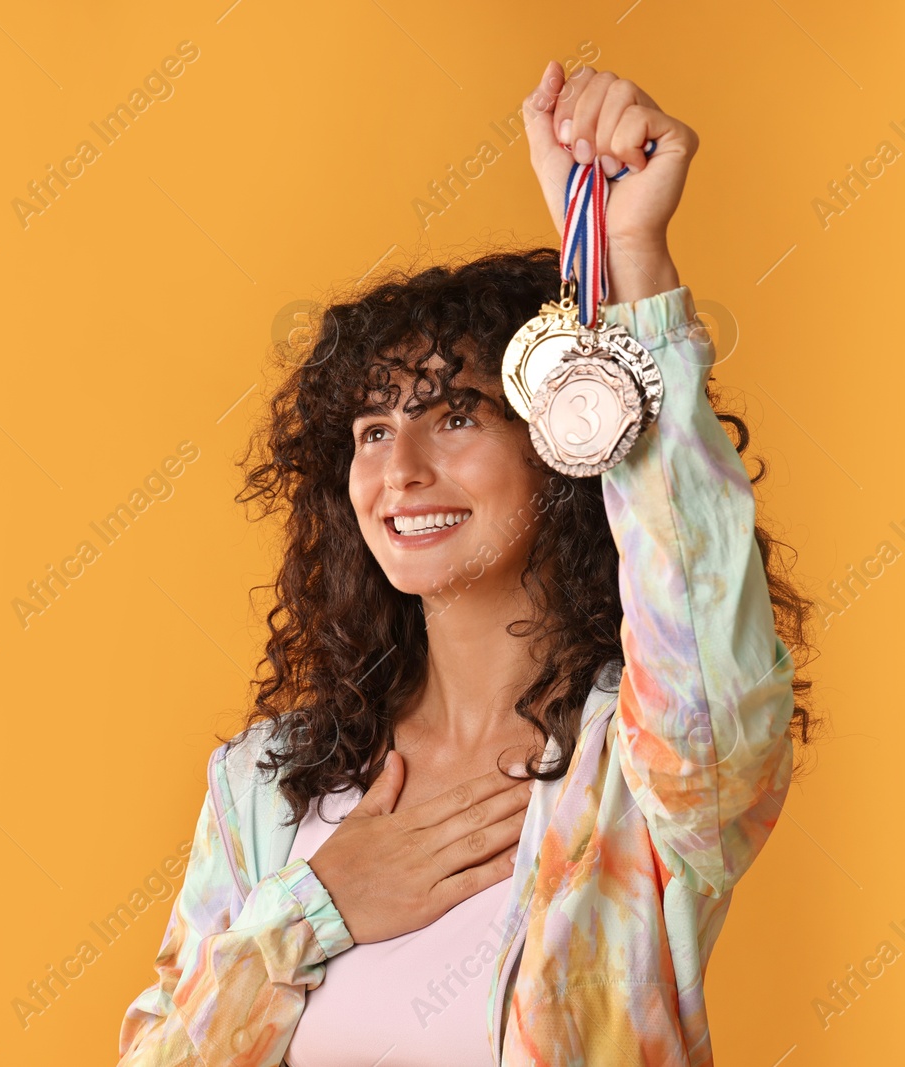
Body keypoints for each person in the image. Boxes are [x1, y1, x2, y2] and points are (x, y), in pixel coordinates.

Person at [115, 60, 820, 1066]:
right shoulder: (268, 788)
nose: (399, 469)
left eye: (455, 415)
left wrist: (629, 268)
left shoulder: (640, 774)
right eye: (369, 429)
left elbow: (699, 621)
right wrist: (314, 911)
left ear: (561, 440)